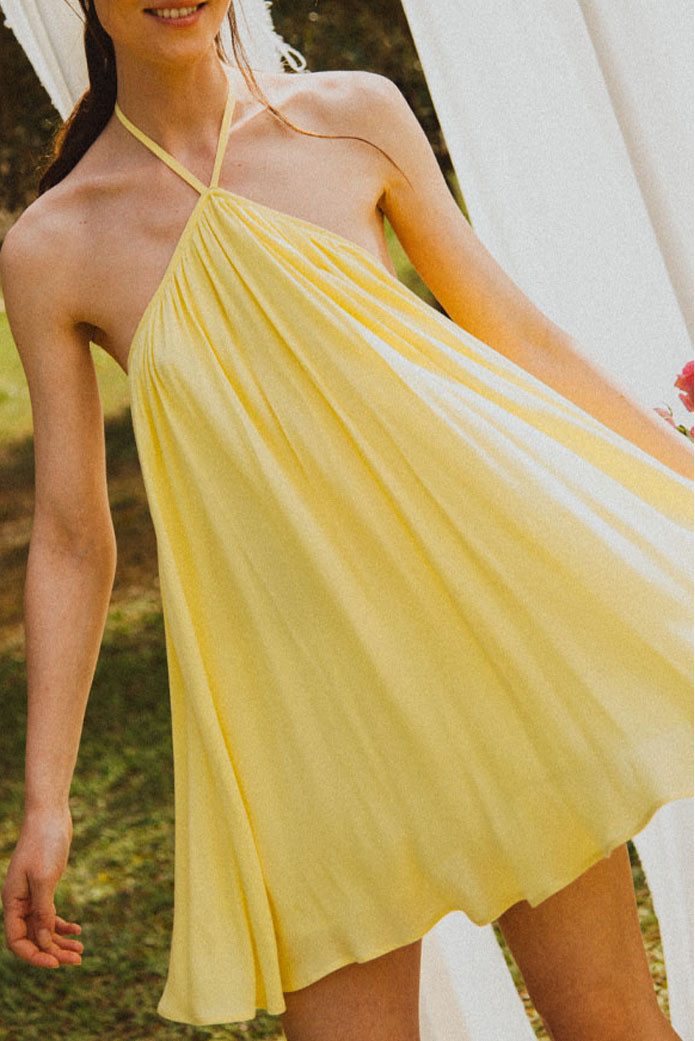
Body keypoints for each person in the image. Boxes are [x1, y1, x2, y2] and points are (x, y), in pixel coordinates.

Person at [0, 2, 692, 1040]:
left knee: (608, 1023)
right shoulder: (55, 245)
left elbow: (517, 335)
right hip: (296, 709)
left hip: (479, 644)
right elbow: (68, 535)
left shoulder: (352, 116)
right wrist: (46, 799)